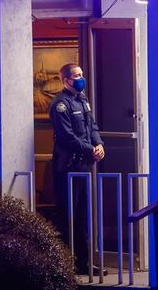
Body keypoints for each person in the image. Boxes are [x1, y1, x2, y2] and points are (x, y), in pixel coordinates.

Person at [50, 63, 106, 276]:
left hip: (84, 165)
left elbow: (92, 127)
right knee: (68, 217)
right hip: (68, 166)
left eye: (82, 74)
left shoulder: (82, 100)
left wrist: (98, 143)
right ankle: (66, 265)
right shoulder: (60, 104)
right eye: (77, 76)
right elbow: (66, 136)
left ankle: (83, 263)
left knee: (83, 215)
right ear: (66, 80)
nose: (81, 78)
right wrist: (90, 148)